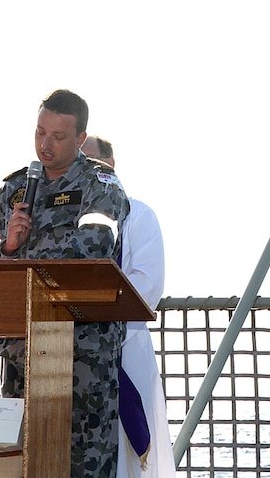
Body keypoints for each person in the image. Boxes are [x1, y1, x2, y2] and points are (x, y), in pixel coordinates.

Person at [0, 90, 130, 478]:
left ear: (80, 139)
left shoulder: (101, 183)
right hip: (21, 354)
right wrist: (8, 248)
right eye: (40, 132)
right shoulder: (14, 190)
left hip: (84, 356)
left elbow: (96, 245)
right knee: (19, 464)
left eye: (59, 136)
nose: (46, 144)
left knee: (82, 468)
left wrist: (26, 256)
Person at [81, 135, 175, 478]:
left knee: (129, 464)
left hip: (125, 349)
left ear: (111, 163)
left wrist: (88, 308)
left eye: (91, 159)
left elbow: (148, 286)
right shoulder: (66, 222)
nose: (85, 167)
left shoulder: (138, 215)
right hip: (71, 355)